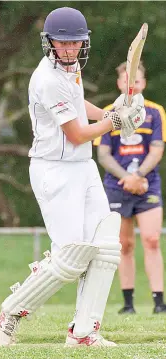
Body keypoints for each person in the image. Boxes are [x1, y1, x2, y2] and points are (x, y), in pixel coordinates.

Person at [0, 8, 146, 347]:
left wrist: (108, 113)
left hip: (82, 167)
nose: (70, 50)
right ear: (49, 43)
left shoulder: (71, 67)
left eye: (76, 43)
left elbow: (78, 103)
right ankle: (11, 312)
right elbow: (77, 133)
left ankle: (83, 332)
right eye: (63, 44)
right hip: (53, 170)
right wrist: (116, 122)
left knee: (106, 247)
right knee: (71, 256)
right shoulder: (45, 80)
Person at [94, 61, 166, 314]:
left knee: (152, 239)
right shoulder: (108, 112)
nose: (131, 84)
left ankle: (159, 302)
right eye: (127, 80)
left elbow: (157, 149)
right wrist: (127, 177)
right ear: (119, 83)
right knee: (124, 244)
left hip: (147, 184)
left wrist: (138, 176)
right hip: (117, 185)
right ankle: (128, 304)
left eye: (136, 80)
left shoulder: (155, 112)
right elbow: (103, 155)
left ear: (143, 83)